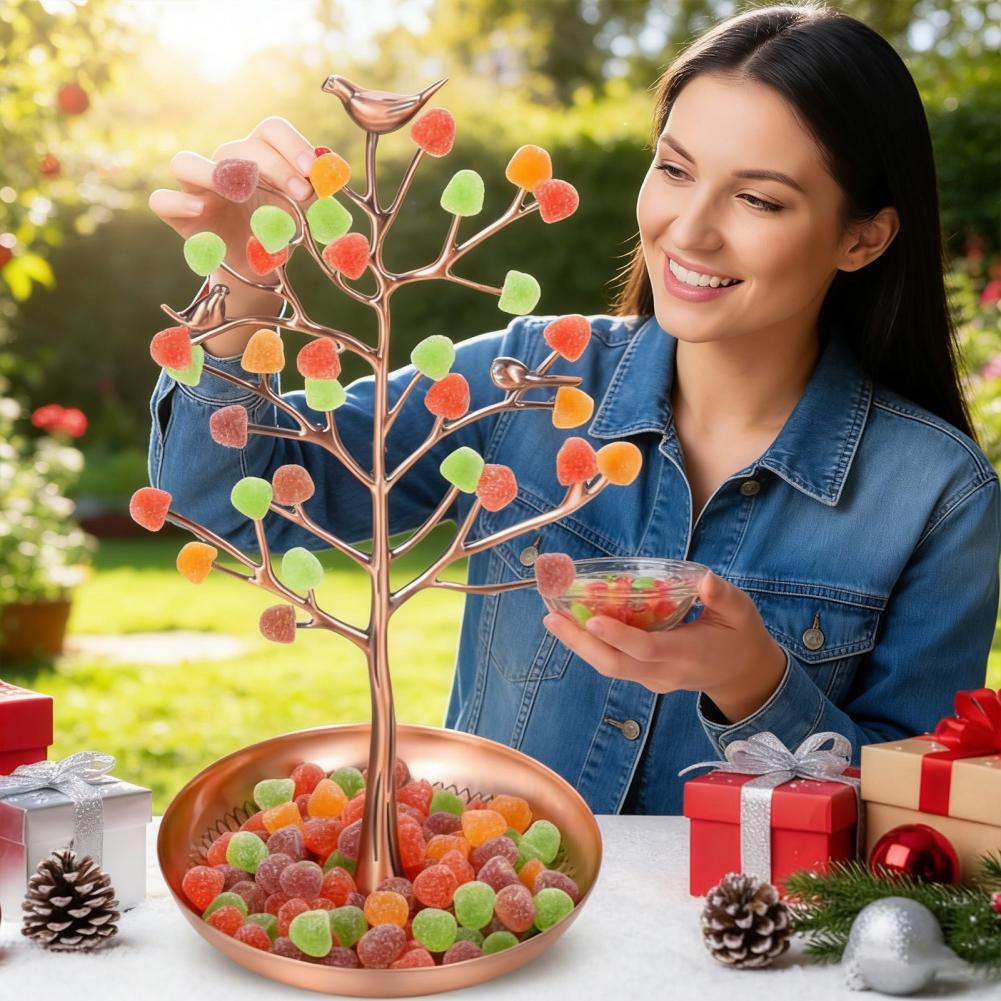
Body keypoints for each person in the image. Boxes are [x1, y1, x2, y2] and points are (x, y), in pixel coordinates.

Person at [147, 3, 1000, 815]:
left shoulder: (937, 497)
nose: (688, 229)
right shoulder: (528, 380)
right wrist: (244, 277)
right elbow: (221, 499)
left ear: (863, 237)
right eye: (673, 169)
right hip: (504, 935)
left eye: (759, 199)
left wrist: (756, 684)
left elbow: (912, 827)